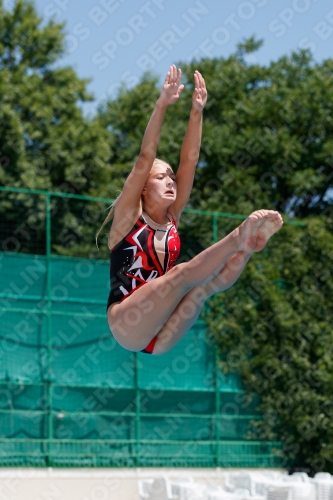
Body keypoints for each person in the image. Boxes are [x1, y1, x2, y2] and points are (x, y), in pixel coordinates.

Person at [96, 65, 283, 356]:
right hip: (127, 325)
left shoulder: (172, 218)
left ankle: (248, 246)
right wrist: (162, 105)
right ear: (143, 188)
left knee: (201, 289)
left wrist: (197, 112)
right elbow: (146, 156)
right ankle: (238, 236)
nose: (171, 181)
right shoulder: (128, 218)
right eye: (161, 177)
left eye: (171, 177)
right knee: (182, 275)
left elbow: (189, 161)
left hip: (160, 336)